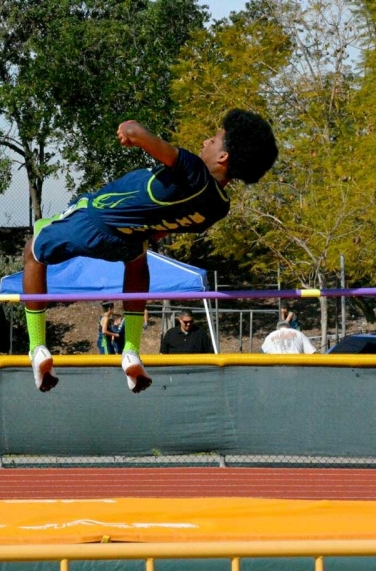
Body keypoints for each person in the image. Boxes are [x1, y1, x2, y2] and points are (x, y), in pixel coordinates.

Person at [23, 108, 278, 392]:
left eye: (214, 140)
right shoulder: (219, 207)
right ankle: (130, 349)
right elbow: (164, 229)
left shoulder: (193, 170)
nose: (206, 141)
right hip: (127, 241)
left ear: (223, 157)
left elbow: (138, 133)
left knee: (33, 251)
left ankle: (37, 347)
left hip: (94, 220)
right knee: (138, 257)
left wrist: (129, 130)